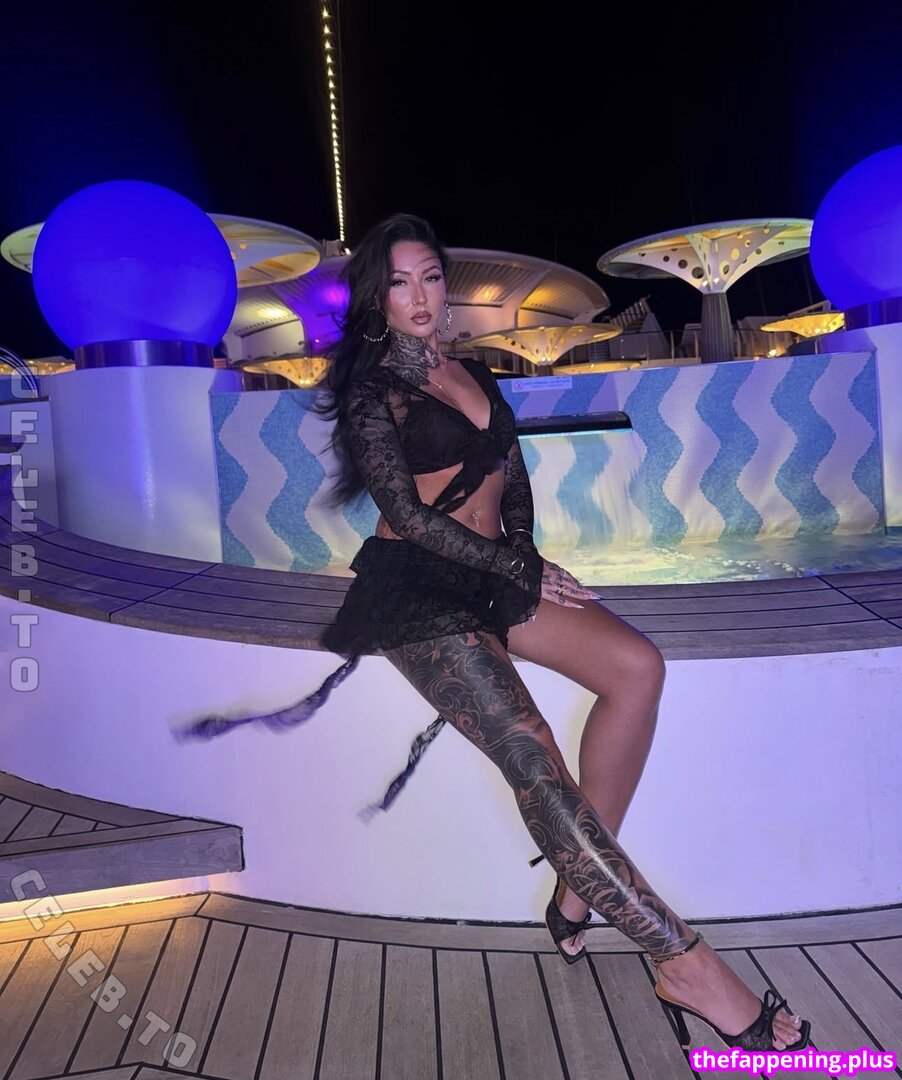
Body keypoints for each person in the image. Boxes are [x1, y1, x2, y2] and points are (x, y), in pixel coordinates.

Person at [181, 212, 811, 1058]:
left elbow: (512, 477)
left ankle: (576, 892)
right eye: (398, 282)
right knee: (532, 748)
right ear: (376, 296)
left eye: (429, 277)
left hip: (493, 572)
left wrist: (526, 556)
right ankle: (685, 965)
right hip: (420, 591)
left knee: (637, 668)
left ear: (444, 286)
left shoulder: (471, 370)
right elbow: (406, 515)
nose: (418, 296)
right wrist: (516, 569)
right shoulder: (374, 391)